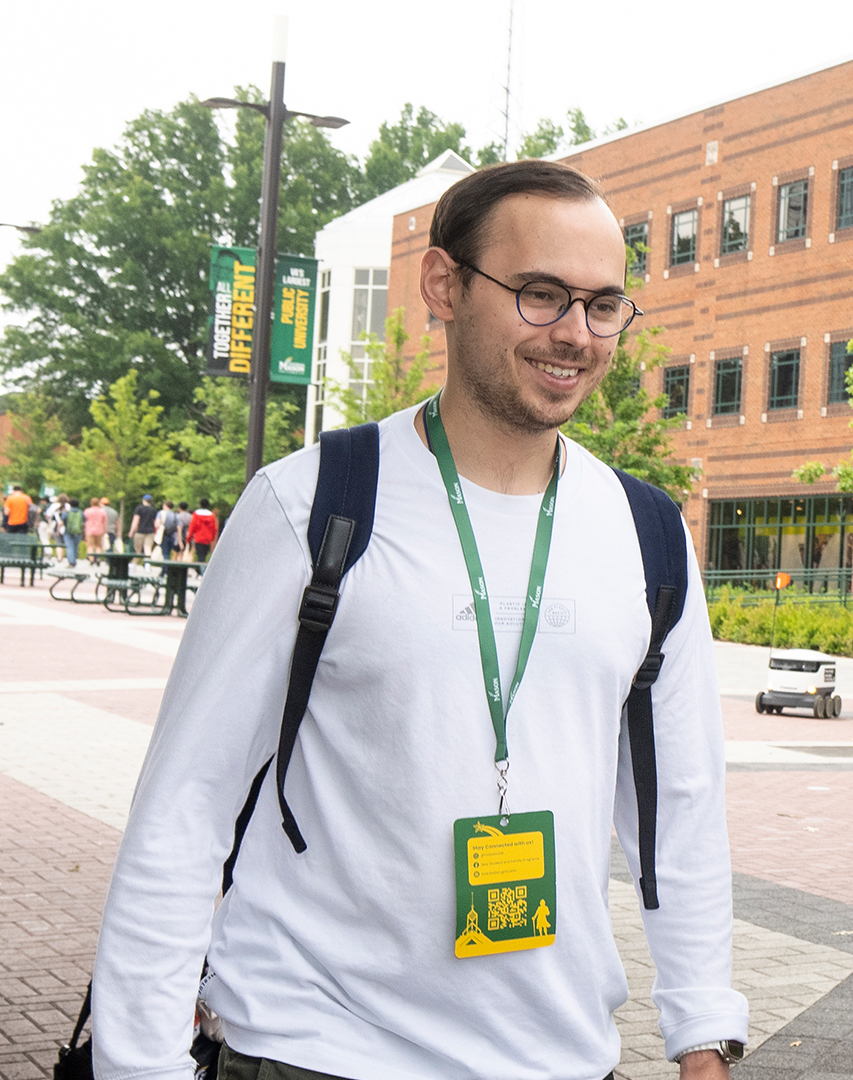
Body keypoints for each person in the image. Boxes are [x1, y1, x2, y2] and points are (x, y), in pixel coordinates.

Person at [91, 159, 746, 1079]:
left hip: (559, 1058)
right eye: (540, 294)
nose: (575, 335)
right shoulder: (311, 504)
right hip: (314, 1048)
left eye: (603, 305)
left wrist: (703, 1030)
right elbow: (183, 807)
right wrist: (139, 1065)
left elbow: (680, 813)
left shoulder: (647, 537)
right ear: (444, 285)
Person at [60, 497, 84, 566]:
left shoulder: (67, 513)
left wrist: (58, 529)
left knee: (69, 547)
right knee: (76, 546)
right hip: (78, 532)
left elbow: (62, 521)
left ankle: (71, 562)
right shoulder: (81, 513)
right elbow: (84, 521)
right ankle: (74, 559)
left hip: (68, 532)